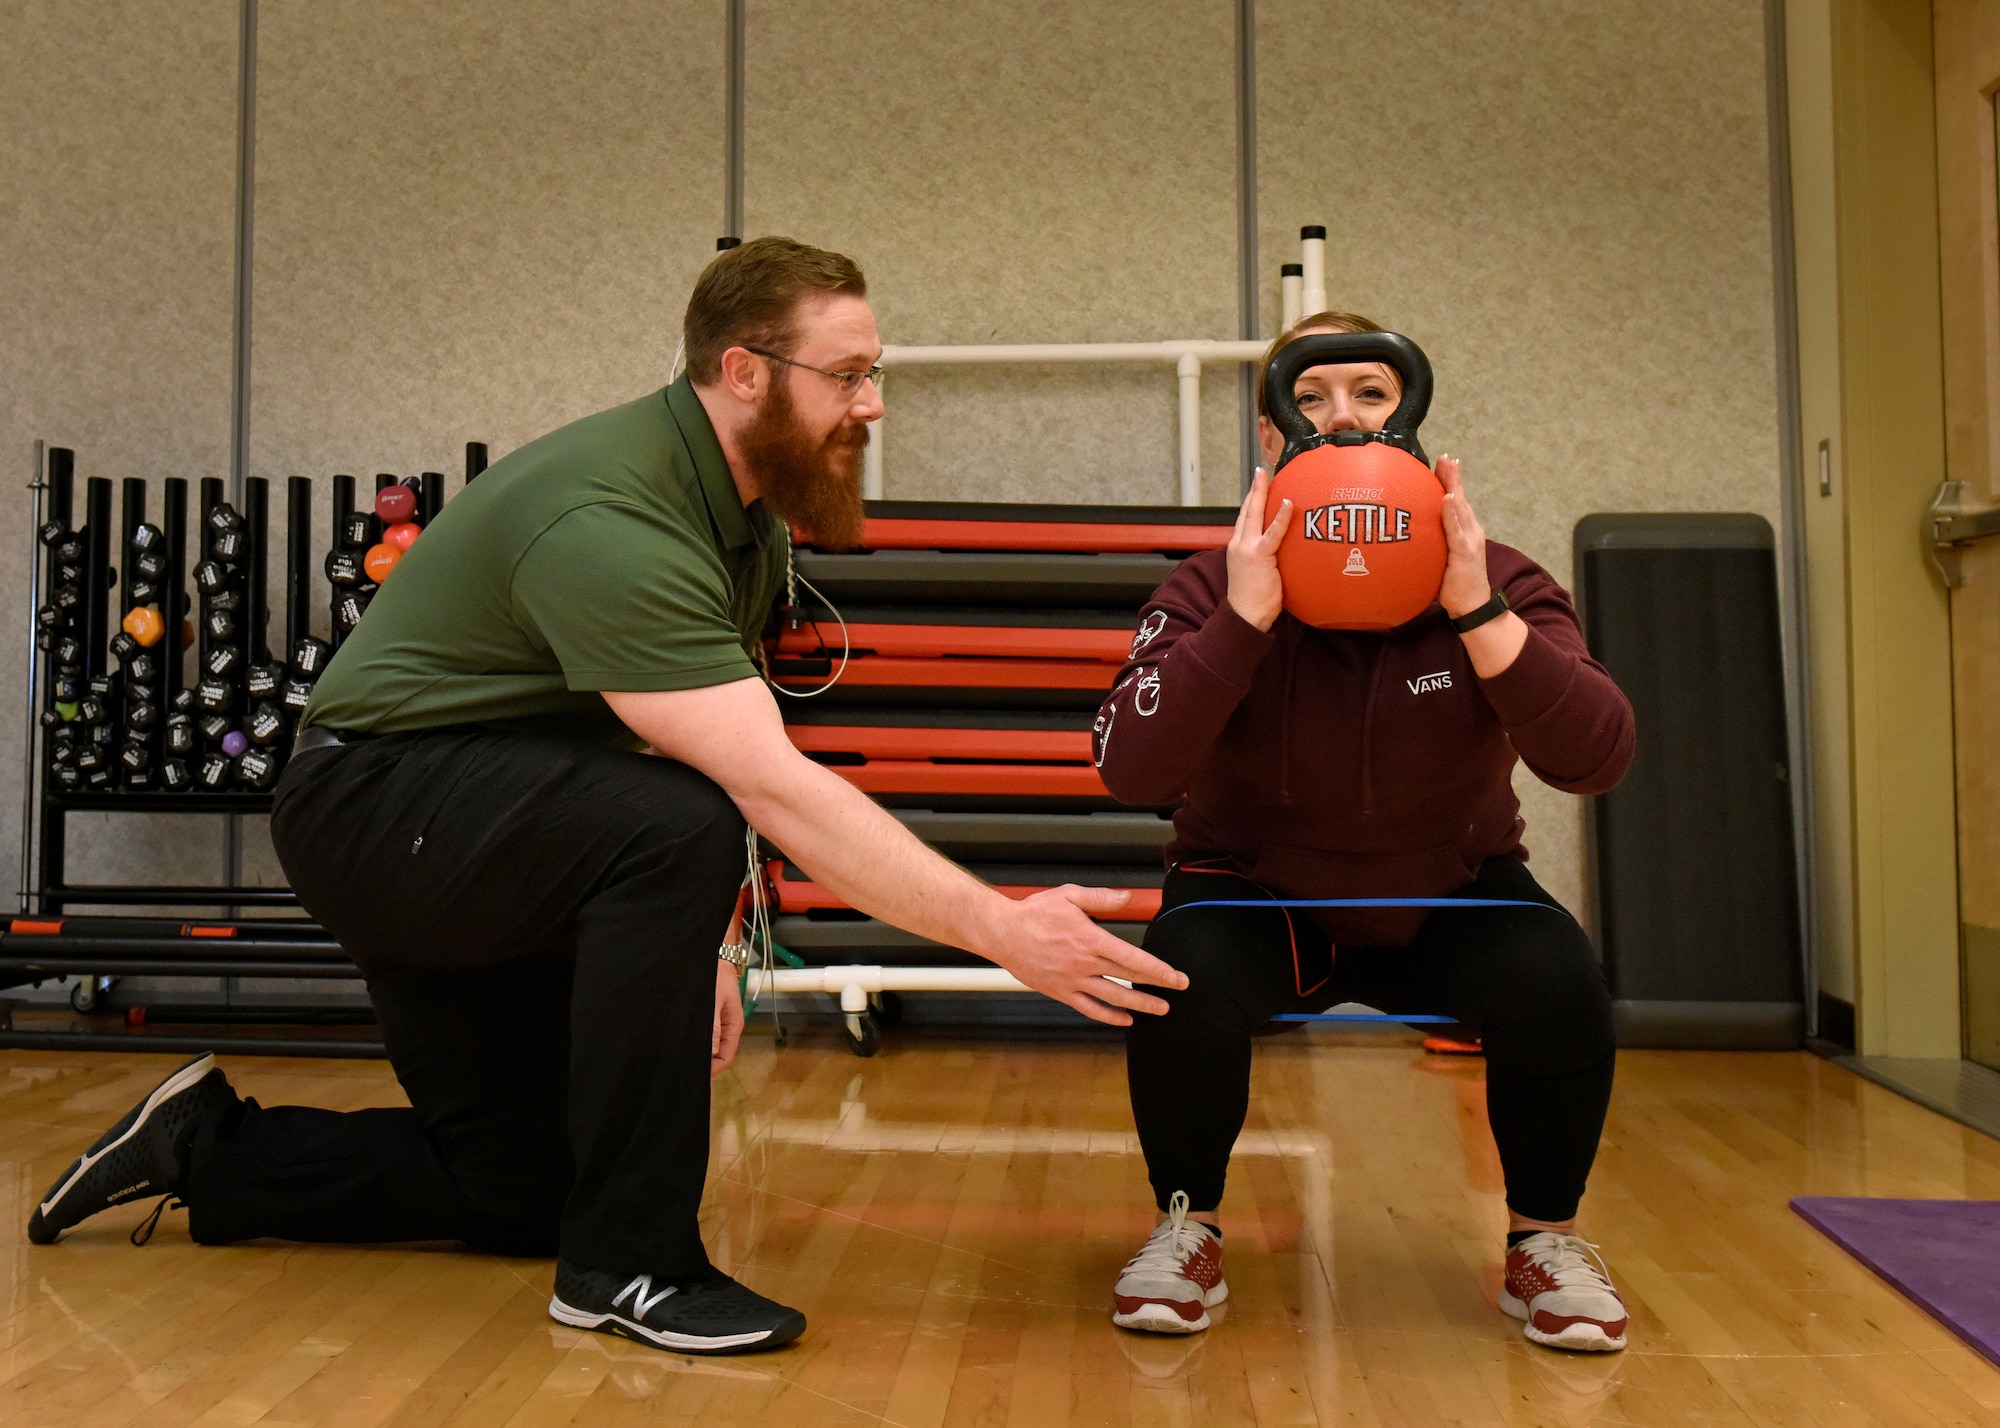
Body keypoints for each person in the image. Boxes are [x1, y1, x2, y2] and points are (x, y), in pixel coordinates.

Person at [26, 236, 1187, 1357]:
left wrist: (715, 952)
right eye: (846, 375)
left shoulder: (739, 522)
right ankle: (632, 1268)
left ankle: (209, 1151)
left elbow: (686, 752)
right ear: (743, 372)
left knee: (525, 1188)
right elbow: (755, 783)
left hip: (494, 821)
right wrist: (996, 928)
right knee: (677, 826)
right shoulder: (612, 518)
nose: (872, 403)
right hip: (381, 812)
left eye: (870, 372)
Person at [1093, 312, 1636, 1353]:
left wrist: (1477, 616)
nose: (1341, 418)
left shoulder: (1499, 574)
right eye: (1309, 399)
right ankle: (1184, 1224)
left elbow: (1595, 758)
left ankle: (1543, 1244)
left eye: (1370, 394)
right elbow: (1130, 769)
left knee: (1557, 976)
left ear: (1410, 414)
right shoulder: (1208, 585)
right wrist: (1241, 627)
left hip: (1447, 889)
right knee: (1177, 970)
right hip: (1256, 892)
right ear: (1269, 439)